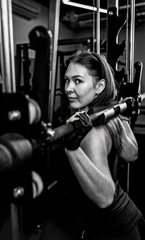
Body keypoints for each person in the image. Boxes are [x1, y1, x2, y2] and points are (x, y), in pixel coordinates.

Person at [39, 50, 145, 240]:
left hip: (112, 229)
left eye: (78, 81)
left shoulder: (92, 132)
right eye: (66, 80)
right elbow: (132, 154)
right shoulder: (107, 117)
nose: (68, 88)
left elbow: (105, 198)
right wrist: (123, 117)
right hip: (127, 220)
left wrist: (72, 148)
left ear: (99, 86)